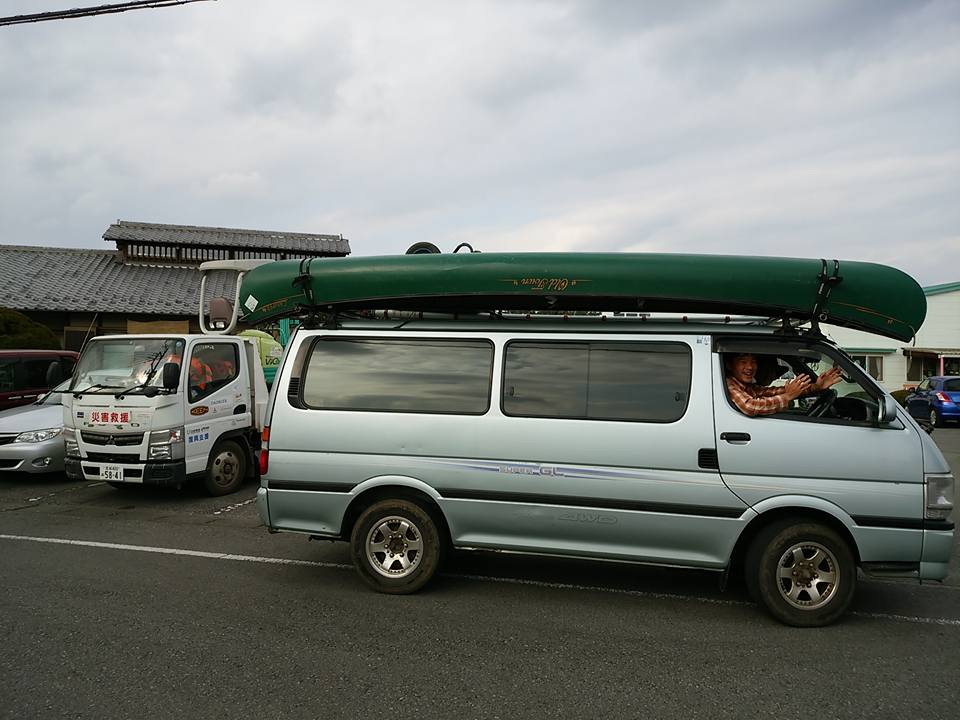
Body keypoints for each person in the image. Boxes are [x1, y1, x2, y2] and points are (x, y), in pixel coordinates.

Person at [725, 352, 842, 417]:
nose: (750, 367)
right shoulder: (730, 385)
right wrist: (787, 397)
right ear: (729, 365)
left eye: (753, 361)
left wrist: (816, 387)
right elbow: (751, 406)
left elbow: (772, 392)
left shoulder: (748, 386)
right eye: (743, 362)